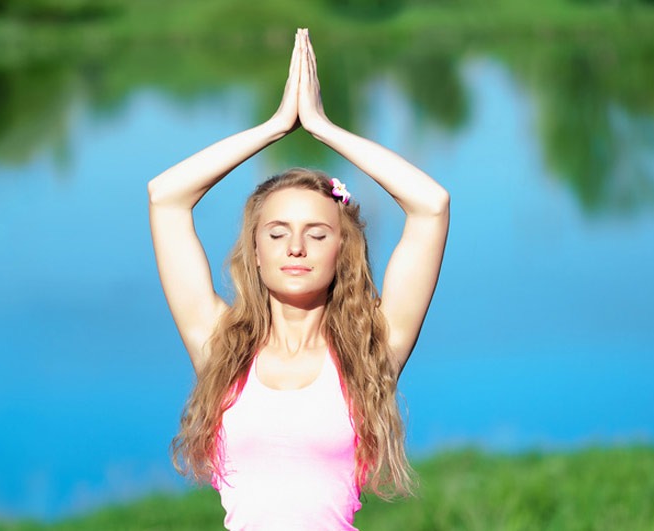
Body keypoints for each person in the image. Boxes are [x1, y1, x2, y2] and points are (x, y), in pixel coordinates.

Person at [147, 28, 449, 531]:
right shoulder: (220, 346)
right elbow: (166, 197)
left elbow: (430, 205)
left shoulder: (371, 348)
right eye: (277, 232)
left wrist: (324, 128)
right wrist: (275, 126)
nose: (295, 247)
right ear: (256, 252)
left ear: (341, 252)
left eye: (316, 233)